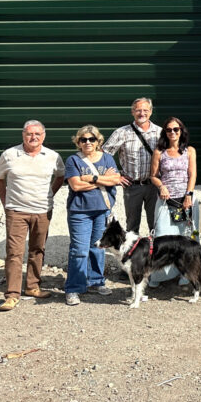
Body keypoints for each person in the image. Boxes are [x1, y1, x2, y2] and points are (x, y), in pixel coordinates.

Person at [0, 120, 65, 311]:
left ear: (44, 135)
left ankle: (32, 287)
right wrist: (5, 201)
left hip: (42, 211)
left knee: (37, 249)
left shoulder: (53, 156)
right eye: (29, 134)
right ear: (23, 135)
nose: (33, 137)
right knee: (14, 253)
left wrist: (50, 194)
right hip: (16, 211)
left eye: (37, 134)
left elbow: (60, 176)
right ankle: (12, 295)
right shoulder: (9, 155)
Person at [64, 126, 121, 306]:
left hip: (102, 210)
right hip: (79, 211)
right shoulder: (73, 160)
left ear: (98, 141)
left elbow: (116, 179)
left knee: (98, 248)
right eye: (83, 139)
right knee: (79, 251)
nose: (88, 142)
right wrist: (103, 179)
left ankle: (96, 281)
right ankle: (74, 288)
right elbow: (76, 185)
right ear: (78, 142)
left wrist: (92, 178)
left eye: (92, 139)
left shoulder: (107, 158)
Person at [147, 117, 198, 287]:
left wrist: (189, 195)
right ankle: (159, 275)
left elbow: (192, 174)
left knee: (186, 238)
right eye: (169, 130)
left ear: (181, 131)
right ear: (165, 132)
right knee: (162, 237)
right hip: (165, 201)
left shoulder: (189, 151)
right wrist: (161, 186)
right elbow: (153, 176)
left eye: (176, 129)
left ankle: (186, 273)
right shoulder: (159, 152)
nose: (173, 132)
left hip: (185, 200)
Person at [103, 97, 161, 233]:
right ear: (132, 112)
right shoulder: (121, 132)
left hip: (154, 186)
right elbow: (104, 156)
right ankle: (133, 247)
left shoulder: (160, 133)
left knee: (157, 224)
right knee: (132, 225)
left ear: (151, 112)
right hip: (132, 186)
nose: (142, 113)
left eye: (145, 110)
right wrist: (116, 176)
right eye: (138, 110)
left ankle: (155, 247)